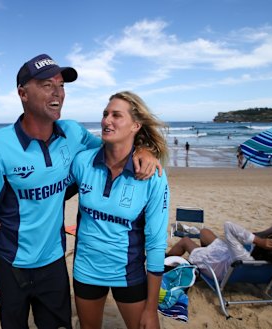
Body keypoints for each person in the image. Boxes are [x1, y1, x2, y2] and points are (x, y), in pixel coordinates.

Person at [0, 54, 162, 328]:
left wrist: (143, 150)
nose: (58, 92)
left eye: (61, 85)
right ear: (23, 93)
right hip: (11, 262)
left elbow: (112, 148)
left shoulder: (72, 132)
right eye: (47, 85)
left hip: (54, 262)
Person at [70, 91, 169, 329]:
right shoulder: (83, 162)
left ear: (135, 125)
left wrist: (151, 308)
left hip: (129, 273)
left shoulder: (152, 175)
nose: (106, 121)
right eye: (105, 114)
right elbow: (48, 191)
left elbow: (156, 243)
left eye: (116, 115)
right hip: (86, 270)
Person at [166, 221, 272, 281]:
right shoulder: (264, 261)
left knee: (186, 240)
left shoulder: (243, 256)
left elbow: (228, 225)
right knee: (204, 232)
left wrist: (259, 241)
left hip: (218, 266)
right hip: (227, 257)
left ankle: (166, 262)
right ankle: (203, 251)